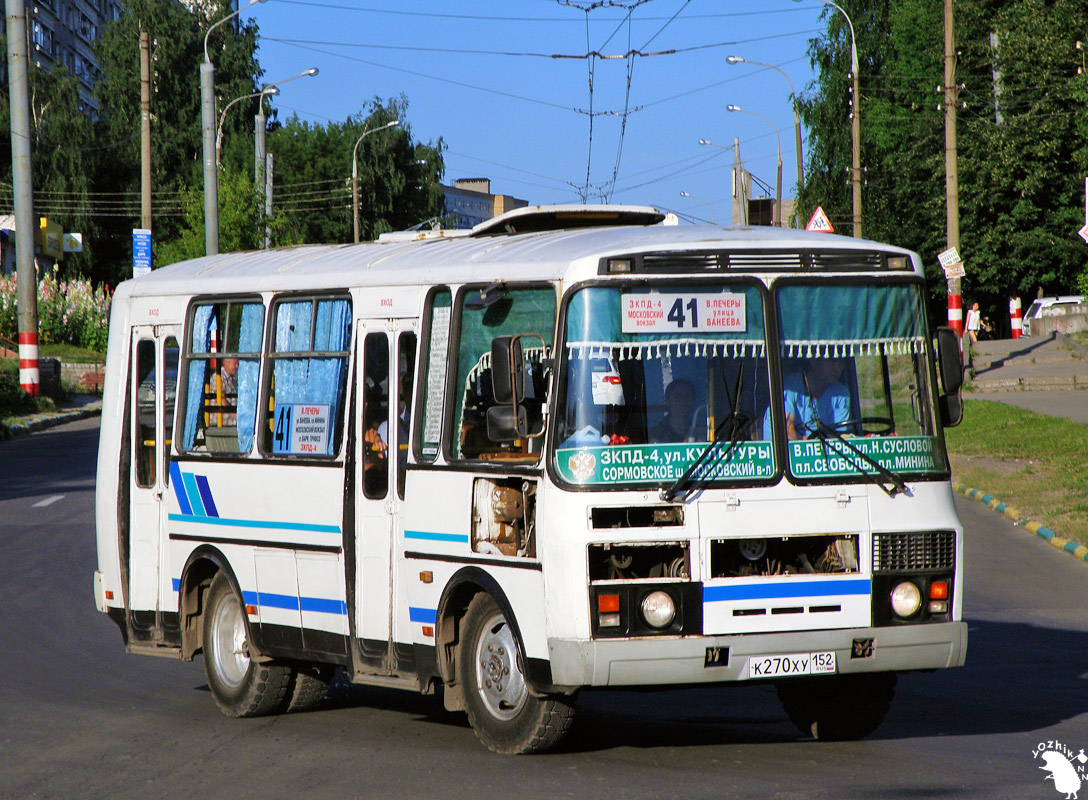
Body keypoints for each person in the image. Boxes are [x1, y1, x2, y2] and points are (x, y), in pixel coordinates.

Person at [763, 357, 851, 440]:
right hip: (783, 455)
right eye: (832, 360)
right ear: (814, 361)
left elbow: (837, 437)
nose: (837, 367)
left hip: (822, 455)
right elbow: (786, 430)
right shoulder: (788, 387)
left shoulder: (841, 393)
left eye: (841, 363)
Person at [650, 378, 698, 443]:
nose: (684, 400)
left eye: (688, 396)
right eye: (678, 396)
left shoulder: (699, 429)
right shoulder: (657, 433)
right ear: (667, 401)